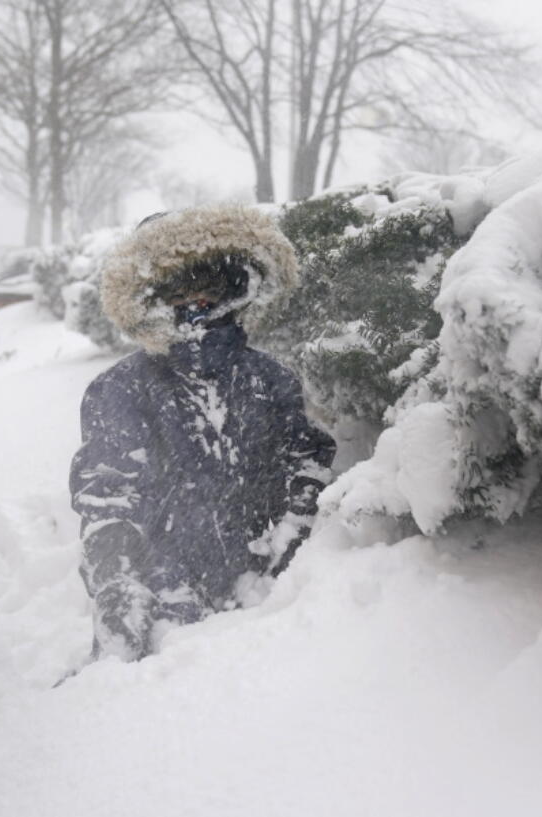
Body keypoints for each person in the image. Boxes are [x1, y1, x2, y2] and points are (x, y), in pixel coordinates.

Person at [69, 205, 335, 661]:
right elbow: (109, 497)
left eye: (209, 283)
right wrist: (117, 584)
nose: (197, 298)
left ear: (234, 284)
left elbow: (305, 464)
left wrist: (292, 547)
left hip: (269, 603)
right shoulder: (120, 390)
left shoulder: (272, 380)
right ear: (154, 297)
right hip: (165, 612)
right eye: (179, 287)